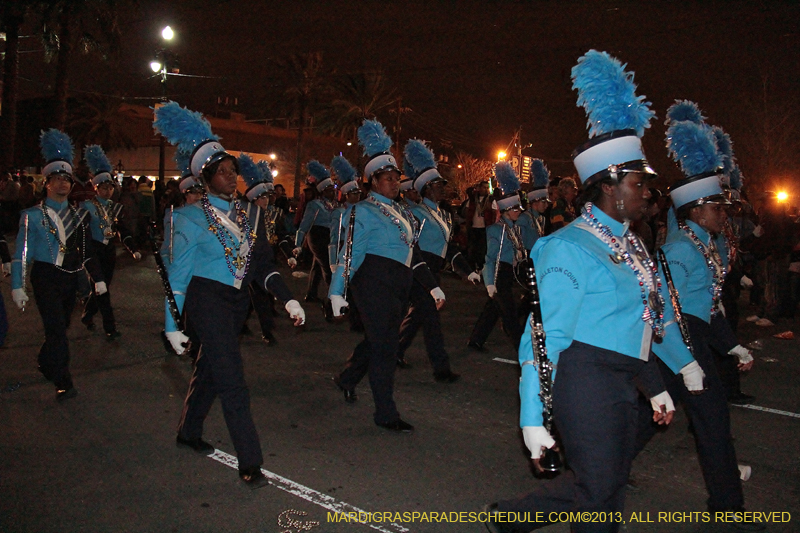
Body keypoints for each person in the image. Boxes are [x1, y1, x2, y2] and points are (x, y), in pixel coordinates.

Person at [485, 50, 675, 533]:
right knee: (596, 486)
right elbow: (543, 338)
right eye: (639, 184)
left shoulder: (629, 242)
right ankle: (513, 517)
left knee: (608, 489)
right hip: (583, 379)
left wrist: (653, 385)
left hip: (621, 377)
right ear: (610, 188)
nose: (648, 194)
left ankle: (512, 519)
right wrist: (532, 418)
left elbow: (637, 321)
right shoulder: (566, 248)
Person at [154, 101, 305, 486]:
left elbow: (262, 266)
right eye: (220, 172)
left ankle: (189, 432)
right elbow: (178, 276)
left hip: (237, 303)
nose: (229, 176)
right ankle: (250, 460)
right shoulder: (187, 217)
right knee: (232, 379)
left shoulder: (252, 215)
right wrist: (173, 325)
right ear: (205, 178)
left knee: (210, 369)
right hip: (205, 302)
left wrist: (287, 297)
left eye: (232, 169)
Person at [635, 105, 761, 530]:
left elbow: (708, 306)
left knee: (655, 423)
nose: (724, 214)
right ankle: (590, 476)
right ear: (694, 210)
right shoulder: (678, 251)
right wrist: (687, 361)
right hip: (678, 345)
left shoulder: (705, 245)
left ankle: (595, 469)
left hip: (695, 340)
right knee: (705, 423)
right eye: (717, 208)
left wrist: (731, 343)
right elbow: (663, 312)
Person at [328, 119, 442, 432]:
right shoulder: (361, 210)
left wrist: (432, 287)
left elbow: (413, 254)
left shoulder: (402, 212)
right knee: (386, 350)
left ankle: (347, 377)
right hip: (373, 286)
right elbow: (348, 255)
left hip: (398, 287)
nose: (394, 183)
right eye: (388, 178)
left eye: (396, 178)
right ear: (373, 182)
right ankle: (385, 413)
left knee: (379, 341)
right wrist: (337, 292)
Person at [11, 129, 105, 402]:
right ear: (46, 183)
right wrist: (17, 285)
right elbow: (21, 254)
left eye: (67, 179)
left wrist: (97, 278)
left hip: (71, 277)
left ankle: (44, 360)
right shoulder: (31, 216)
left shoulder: (80, 215)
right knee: (56, 329)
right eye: (57, 179)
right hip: (44, 276)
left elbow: (87, 253)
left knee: (60, 327)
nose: (63, 184)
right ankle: (63, 380)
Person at [396, 139, 476, 380]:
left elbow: (449, 248)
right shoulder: (417, 214)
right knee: (430, 319)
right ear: (427, 188)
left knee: (419, 316)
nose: (443, 188)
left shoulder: (443, 215)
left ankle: (394, 351)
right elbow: (411, 247)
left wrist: (467, 271)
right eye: (438, 185)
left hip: (433, 270)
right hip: (420, 271)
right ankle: (441, 369)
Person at [80, 145, 142, 339]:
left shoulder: (115, 207)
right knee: (102, 289)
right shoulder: (87, 207)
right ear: (96, 187)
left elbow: (121, 229)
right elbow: (83, 234)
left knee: (102, 286)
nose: (107, 191)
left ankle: (88, 314)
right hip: (93, 251)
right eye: (103, 187)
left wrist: (132, 247)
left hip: (108, 251)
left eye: (110, 187)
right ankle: (110, 327)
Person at [468, 162, 531, 352]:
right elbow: (490, 258)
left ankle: (476, 340)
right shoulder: (497, 230)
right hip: (499, 274)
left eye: (519, 209)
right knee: (510, 314)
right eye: (514, 209)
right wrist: (489, 282)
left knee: (493, 309)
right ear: (505, 210)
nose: (518, 211)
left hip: (509, 272)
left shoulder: (514, 228)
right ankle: (522, 348)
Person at [293, 161, 337, 306]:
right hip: (317, 236)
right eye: (330, 189)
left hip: (329, 236)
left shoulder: (333, 205)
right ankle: (333, 299)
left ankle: (311, 294)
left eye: (333, 188)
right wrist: (298, 245)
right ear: (323, 190)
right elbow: (304, 226)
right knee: (327, 266)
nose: (334, 191)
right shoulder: (315, 205)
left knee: (317, 265)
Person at [328, 155, 364, 332]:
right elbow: (334, 239)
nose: (357, 196)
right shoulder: (340, 213)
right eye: (354, 193)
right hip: (344, 252)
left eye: (358, 193)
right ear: (347, 195)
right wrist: (334, 262)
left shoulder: (363, 211)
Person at [463, 179, 497, 271]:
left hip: (485, 228)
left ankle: (482, 268)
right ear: (479, 188)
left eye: (487, 188)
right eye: (483, 187)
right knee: (472, 249)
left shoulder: (490, 200)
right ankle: (472, 269)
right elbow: (467, 211)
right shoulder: (473, 199)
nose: (485, 190)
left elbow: (495, 214)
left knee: (482, 250)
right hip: (473, 228)